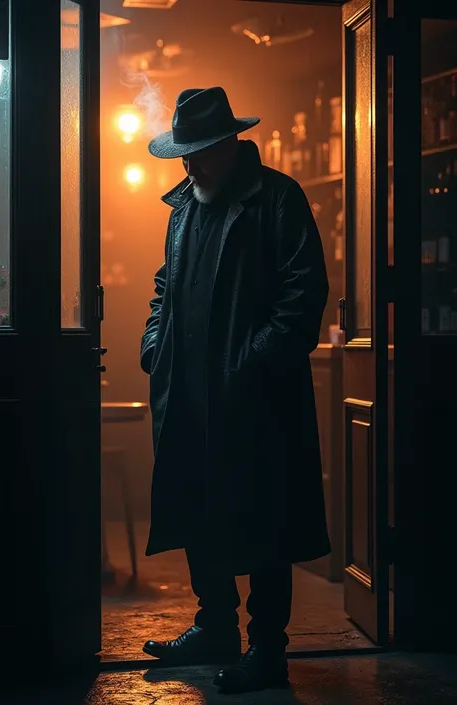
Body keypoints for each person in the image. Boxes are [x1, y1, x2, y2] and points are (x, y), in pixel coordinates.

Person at [140, 86, 330, 694]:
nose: (187, 164)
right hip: (192, 392)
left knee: (264, 518)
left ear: (228, 145)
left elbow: (303, 296)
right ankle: (215, 625)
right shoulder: (184, 207)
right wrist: (155, 345)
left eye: (197, 152)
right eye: (183, 153)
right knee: (199, 506)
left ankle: (266, 649)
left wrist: (250, 364)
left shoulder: (277, 198)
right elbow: (165, 288)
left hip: (255, 398)